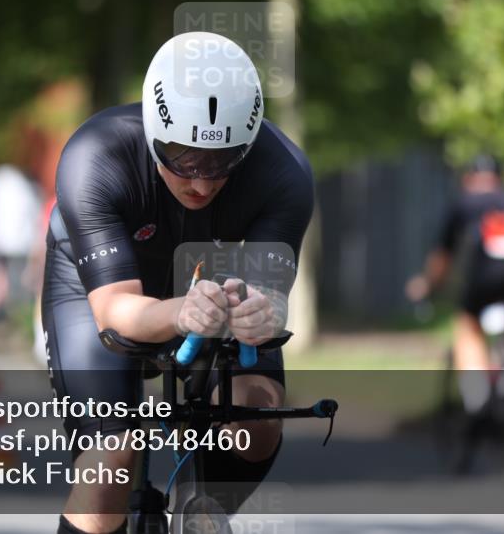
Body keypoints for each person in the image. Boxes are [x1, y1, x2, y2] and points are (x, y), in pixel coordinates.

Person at [42, 31, 314, 534]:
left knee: (255, 417)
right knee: (111, 464)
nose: (202, 183)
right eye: (182, 158)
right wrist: (180, 312)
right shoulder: (95, 155)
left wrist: (262, 311)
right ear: (151, 131)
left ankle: (203, 502)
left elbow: (268, 296)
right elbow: (116, 312)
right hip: (102, 290)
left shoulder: (284, 173)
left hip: (213, 289)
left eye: (223, 162)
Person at [406, 155, 504, 411]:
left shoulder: (464, 203)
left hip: (488, 274)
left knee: (468, 325)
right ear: (500, 179)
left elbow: (442, 258)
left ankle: (476, 397)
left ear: (468, 179)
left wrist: (426, 285)